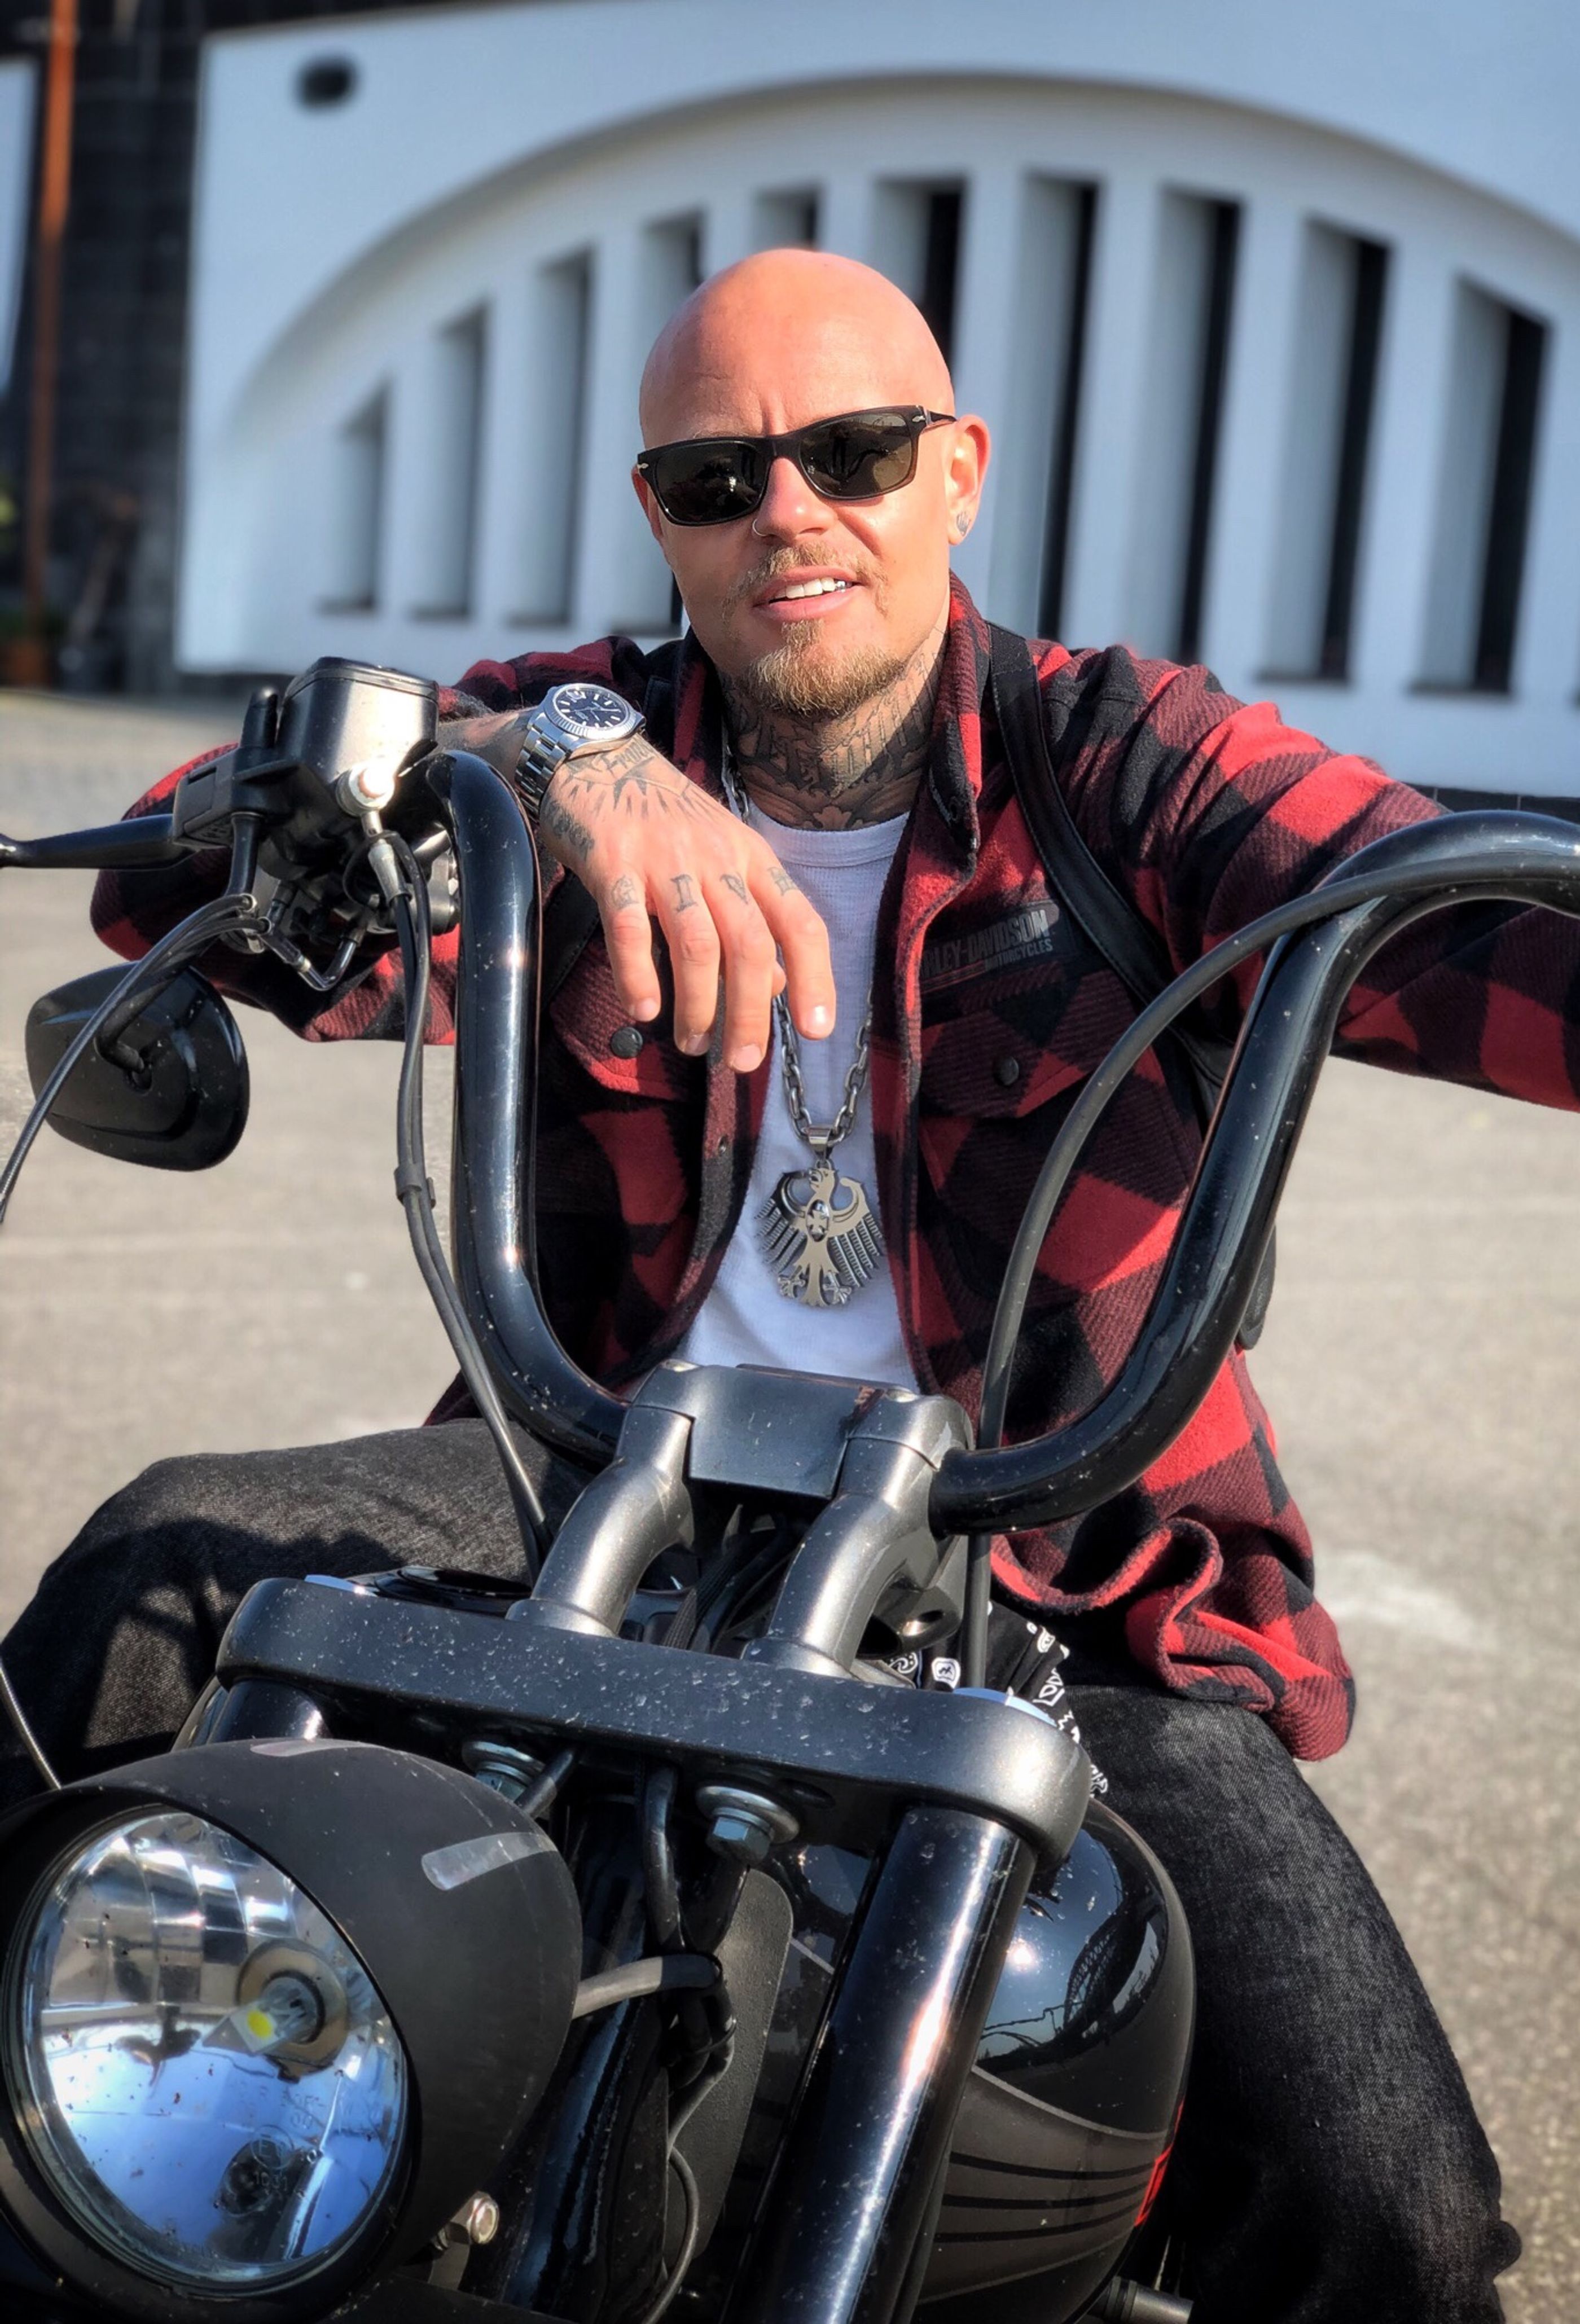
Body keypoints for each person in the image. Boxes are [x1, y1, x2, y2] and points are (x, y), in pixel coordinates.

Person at [4, 249, 1575, 2322]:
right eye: (719, 477)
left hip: (1057, 1568)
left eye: (854, 453)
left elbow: (1459, 917)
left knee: (1391, 2208)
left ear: (959, 472)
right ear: (659, 516)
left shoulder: (1122, 767)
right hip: (593, 1485)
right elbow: (173, 879)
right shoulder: (582, 738)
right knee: (156, 1568)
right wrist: (550, 758)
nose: (791, 514)